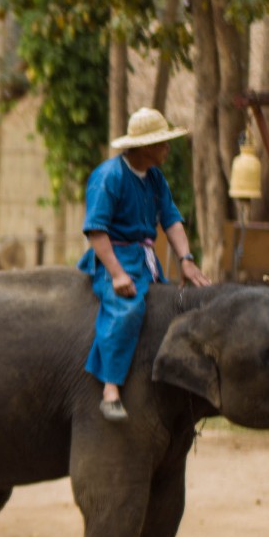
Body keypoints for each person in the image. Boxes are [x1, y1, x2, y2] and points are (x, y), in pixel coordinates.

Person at [81, 108, 211, 422]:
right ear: (145, 147)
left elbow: (171, 219)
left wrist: (187, 260)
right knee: (127, 308)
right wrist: (116, 274)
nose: (167, 148)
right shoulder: (108, 176)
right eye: (162, 143)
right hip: (114, 257)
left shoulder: (154, 177)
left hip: (145, 259)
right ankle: (110, 389)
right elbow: (96, 231)